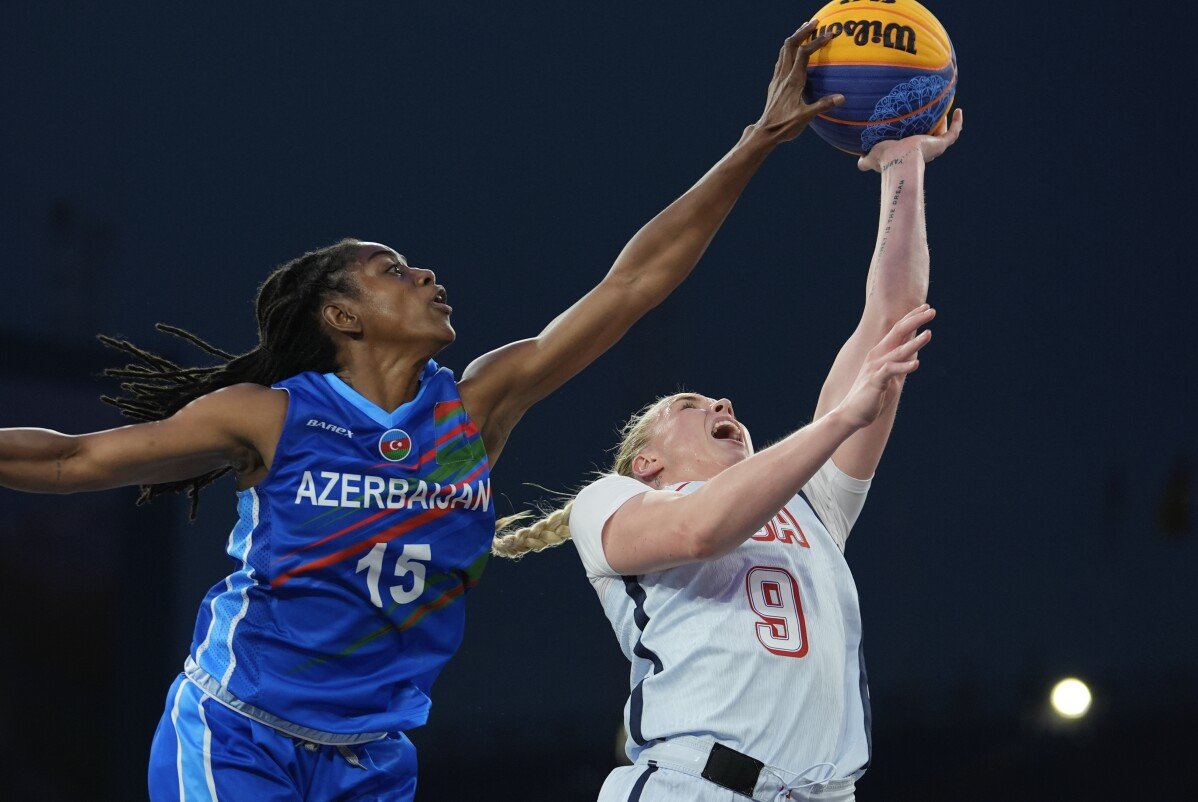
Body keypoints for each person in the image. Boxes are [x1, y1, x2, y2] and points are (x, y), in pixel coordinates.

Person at [0, 20, 848, 802]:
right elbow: (74, 459)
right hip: (238, 734)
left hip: (372, 756)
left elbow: (631, 286)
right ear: (342, 315)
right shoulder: (269, 417)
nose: (426, 274)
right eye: (392, 270)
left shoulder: (474, 409)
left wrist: (755, 143)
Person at [492, 108, 964, 801]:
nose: (724, 406)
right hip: (694, 788)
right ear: (644, 462)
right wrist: (839, 421)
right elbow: (700, 529)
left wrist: (904, 164)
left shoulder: (812, 503)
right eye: (689, 406)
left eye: (720, 403)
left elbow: (893, 319)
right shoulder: (611, 503)